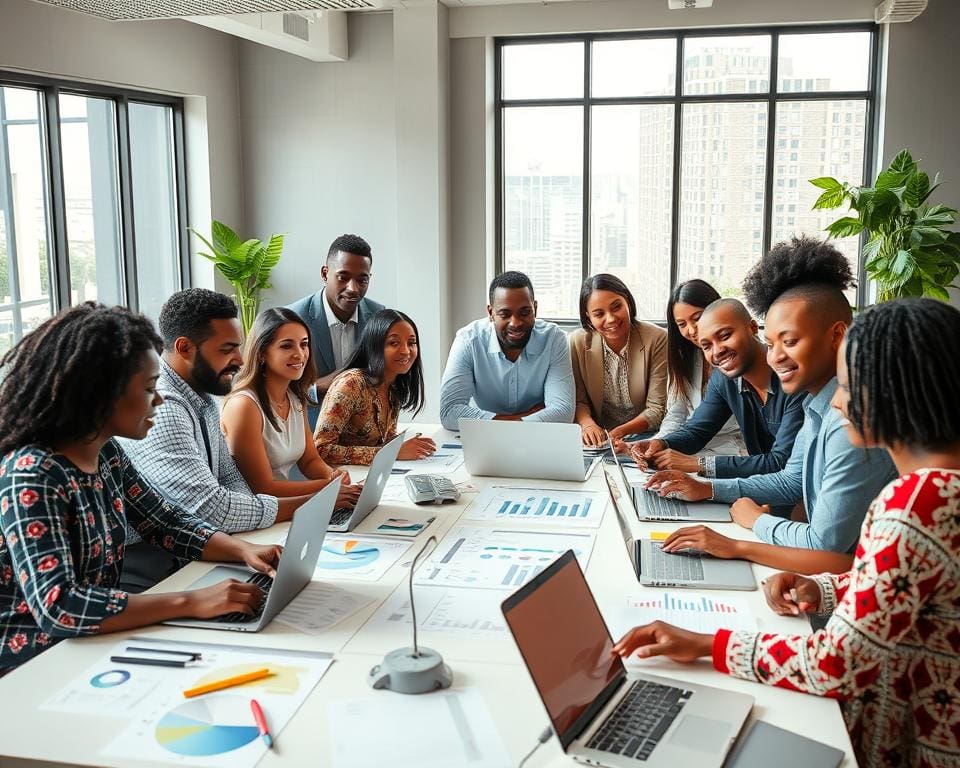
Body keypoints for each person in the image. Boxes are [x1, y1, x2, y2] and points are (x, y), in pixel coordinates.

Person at [613, 297, 960, 768]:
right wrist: (823, 588)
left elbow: (836, 664)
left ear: (895, 388)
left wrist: (703, 644)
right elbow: (905, 588)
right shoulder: (940, 489)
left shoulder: (917, 500)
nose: (839, 400)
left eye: (849, 383)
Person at [0, 304, 283, 673]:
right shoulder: (32, 474)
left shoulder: (106, 451)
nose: (160, 399)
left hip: (93, 641)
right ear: (102, 393)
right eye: (150, 388)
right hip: (36, 665)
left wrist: (242, 550)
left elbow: (162, 520)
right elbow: (59, 607)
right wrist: (191, 602)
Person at [647, 238, 896, 573]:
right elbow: (790, 480)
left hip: (856, 588)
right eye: (771, 343)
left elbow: (823, 544)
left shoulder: (849, 421)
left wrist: (751, 528)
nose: (775, 356)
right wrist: (707, 489)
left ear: (838, 335)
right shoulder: (817, 403)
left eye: (789, 342)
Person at [119, 289, 317, 593]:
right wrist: (309, 505)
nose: (239, 359)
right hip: (154, 568)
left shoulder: (205, 397)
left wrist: (242, 543)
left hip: (196, 551)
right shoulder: (165, 409)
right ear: (184, 348)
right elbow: (211, 508)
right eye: (228, 349)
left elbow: (228, 478)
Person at [623, 297, 806, 482]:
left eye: (725, 336)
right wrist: (661, 443)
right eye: (706, 346)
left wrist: (698, 464)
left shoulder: (793, 378)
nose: (717, 351)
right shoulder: (723, 378)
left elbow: (781, 462)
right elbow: (697, 431)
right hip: (763, 485)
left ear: (752, 327)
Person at [220, 308, 362, 508]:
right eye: (286, 346)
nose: (299, 354)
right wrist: (327, 487)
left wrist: (333, 476)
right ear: (261, 353)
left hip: (285, 507)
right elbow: (263, 488)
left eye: (304, 344)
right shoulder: (244, 406)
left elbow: (310, 460)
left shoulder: (294, 397)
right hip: (254, 515)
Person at [439, 271, 575, 431]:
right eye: (505, 314)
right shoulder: (468, 340)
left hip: (535, 438)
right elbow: (449, 412)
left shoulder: (554, 339)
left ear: (535, 309)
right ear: (490, 313)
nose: (515, 323)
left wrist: (497, 422)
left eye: (524, 313)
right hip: (486, 437)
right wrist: (522, 418)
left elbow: (564, 412)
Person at [314, 309, 436, 465]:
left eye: (411, 343)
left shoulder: (393, 384)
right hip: (343, 482)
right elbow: (321, 449)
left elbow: (383, 442)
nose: (406, 351)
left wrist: (404, 447)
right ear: (375, 346)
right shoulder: (351, 384)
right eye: (394, 343)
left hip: (370, 477)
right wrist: (392, 452)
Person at [569, 274, 668, 447]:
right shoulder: (577, 342)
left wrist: (617, 434)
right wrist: (587, 424)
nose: (611, 319)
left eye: (616, 307)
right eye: (599, 314)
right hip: (596, 436)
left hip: (645, 435)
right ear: (588, 317)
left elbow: (656, 409)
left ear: (628, 302)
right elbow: (579, 400)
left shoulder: (657, 339)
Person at [286, 234, 385, 399]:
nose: (353, 288)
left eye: (362, 280)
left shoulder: (378, 315)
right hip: (311, 423)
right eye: (343, 277)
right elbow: (278, 389)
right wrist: (319, 388)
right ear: (325, 274)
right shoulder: (292, 318)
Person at [654, 278, 743, 456]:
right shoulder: (685, 357)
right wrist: (659, 443)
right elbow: (677, 413)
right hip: (692, 444)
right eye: (682, 324)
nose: (692, 330)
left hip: (734, 449)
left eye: (697, 318)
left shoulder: (735, 357)